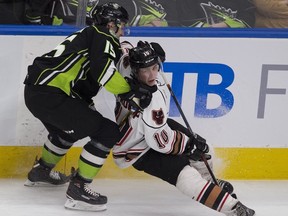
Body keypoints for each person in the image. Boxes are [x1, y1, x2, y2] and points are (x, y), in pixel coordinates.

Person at [23, 2, 150, 212]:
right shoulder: (103, 36)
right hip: (50, 94)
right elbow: (105, 74)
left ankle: (41, 171)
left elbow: (84, 82)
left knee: (67, 131)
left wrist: (86, 105)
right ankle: (79, 189)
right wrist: (131, 90)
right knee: (107, 133)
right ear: (112, 23)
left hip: (35, 93)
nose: (123, 30)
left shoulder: (86, 34)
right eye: (122, 25)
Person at [112, 41, 256, 215]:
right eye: (145, 70)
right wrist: (189, 145)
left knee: (205, 148)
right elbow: (162, 143)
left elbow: (124, 47)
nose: (152, 75)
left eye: (155, 67)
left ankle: (210, 182)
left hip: (146, 129)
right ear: (136, 71)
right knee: (186, 174)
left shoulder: (126, 63)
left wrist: (140, 49)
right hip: (135, 148)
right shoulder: (151, 104)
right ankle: (233, 208)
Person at [168, 0, 256, 27]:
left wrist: (226, 25)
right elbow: (186, 21)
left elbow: (249, 19)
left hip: (234, 46)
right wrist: (210, 29)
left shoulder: (241, 2)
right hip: (197, 43)